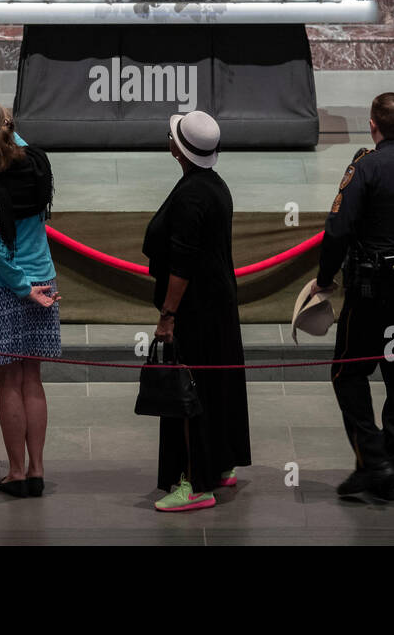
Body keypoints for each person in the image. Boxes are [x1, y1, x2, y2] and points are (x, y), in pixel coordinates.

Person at [306, 91, 394, 502]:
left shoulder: (365, 169)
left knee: (347, 372)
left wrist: (324, 279)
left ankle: (373, 460)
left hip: (374, 293)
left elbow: (337, 229)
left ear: (372, 125)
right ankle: (392, 478)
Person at [144, 110, 251, 512]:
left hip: (196, 311)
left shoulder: (191, 195)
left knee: (190, 393)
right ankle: (219, 464)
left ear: (180, 150)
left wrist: (167, 316)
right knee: (216, 387)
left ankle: (196, 483)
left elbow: (182, 265)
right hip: (218, 305)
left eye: (172, 137)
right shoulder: (213, 186)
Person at [0, 98, 59, 498]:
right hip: (45, 279)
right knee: (32, 380)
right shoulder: (36, 163)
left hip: (4, 287)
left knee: (8, 385)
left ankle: (17, 473)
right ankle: (37, 469)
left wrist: (20, 287)